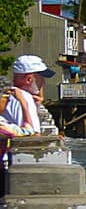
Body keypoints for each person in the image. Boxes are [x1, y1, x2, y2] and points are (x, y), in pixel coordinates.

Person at [2, 55, 56, 195]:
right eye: (41, 78)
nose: (43, 83)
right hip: (15, 168)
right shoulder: (23, 98)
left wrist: (37, 104)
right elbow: (31, 135)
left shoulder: (16, 96)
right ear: (29, 79)